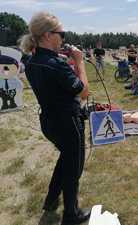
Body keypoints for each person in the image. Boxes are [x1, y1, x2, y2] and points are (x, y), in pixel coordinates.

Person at [20, 12, 90, 225]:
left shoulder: (32, 62)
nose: (63, 38)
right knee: (74, 166)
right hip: (67, 121)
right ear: (49, 35)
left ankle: (51, 200)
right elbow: (83, 91)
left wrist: (59, 59)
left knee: (65, 158)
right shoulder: (57, 65)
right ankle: (72, 213)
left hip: (49, 121)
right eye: (62, 34)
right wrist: (80, 63)